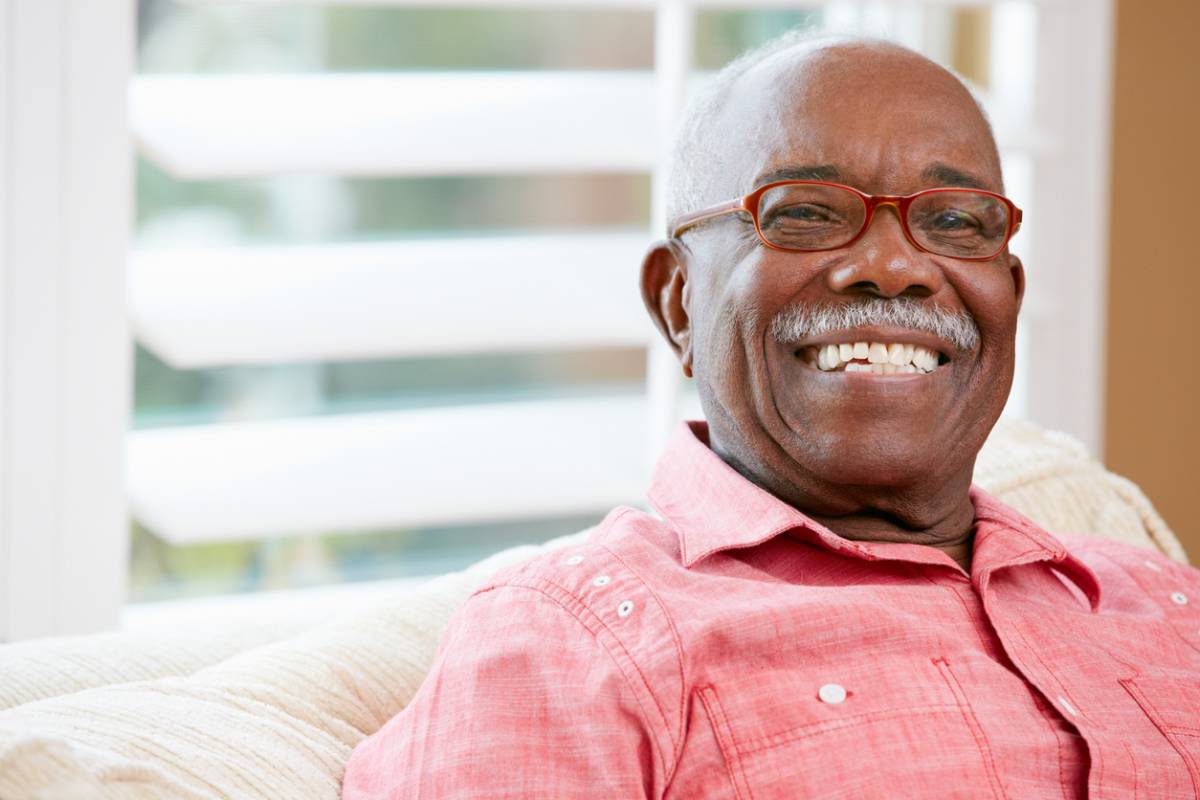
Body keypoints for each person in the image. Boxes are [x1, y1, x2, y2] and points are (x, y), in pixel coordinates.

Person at [342, 32, 1200, 799]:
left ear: (1008, 296)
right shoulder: (569, 646)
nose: (894, 268)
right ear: (678, 304)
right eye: (806, 214)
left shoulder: (1165, 598)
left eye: (953, 222)